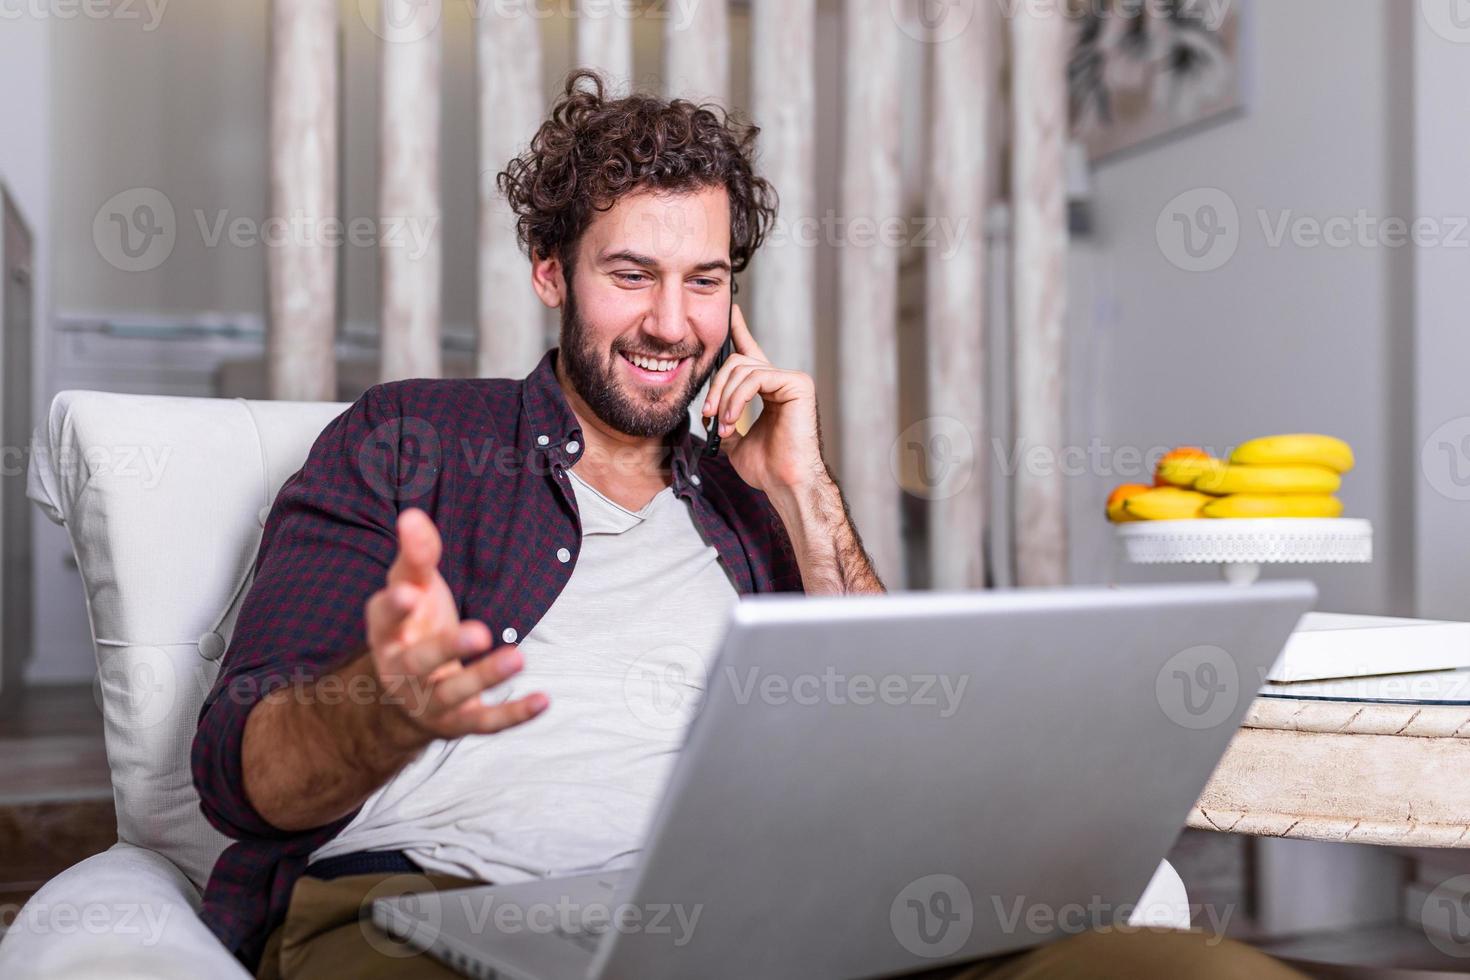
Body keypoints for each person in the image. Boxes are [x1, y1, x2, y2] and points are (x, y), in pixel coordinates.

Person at [191, 70, 1305, 980]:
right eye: (630, 274)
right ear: (550, 272)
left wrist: (807, 496)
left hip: (775, 911)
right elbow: (242, 777)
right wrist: (383, 703)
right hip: (443, 909)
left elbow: (908, 750)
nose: (672, 324)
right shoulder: (410, 438)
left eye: (706, 280)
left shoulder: (752, 494)